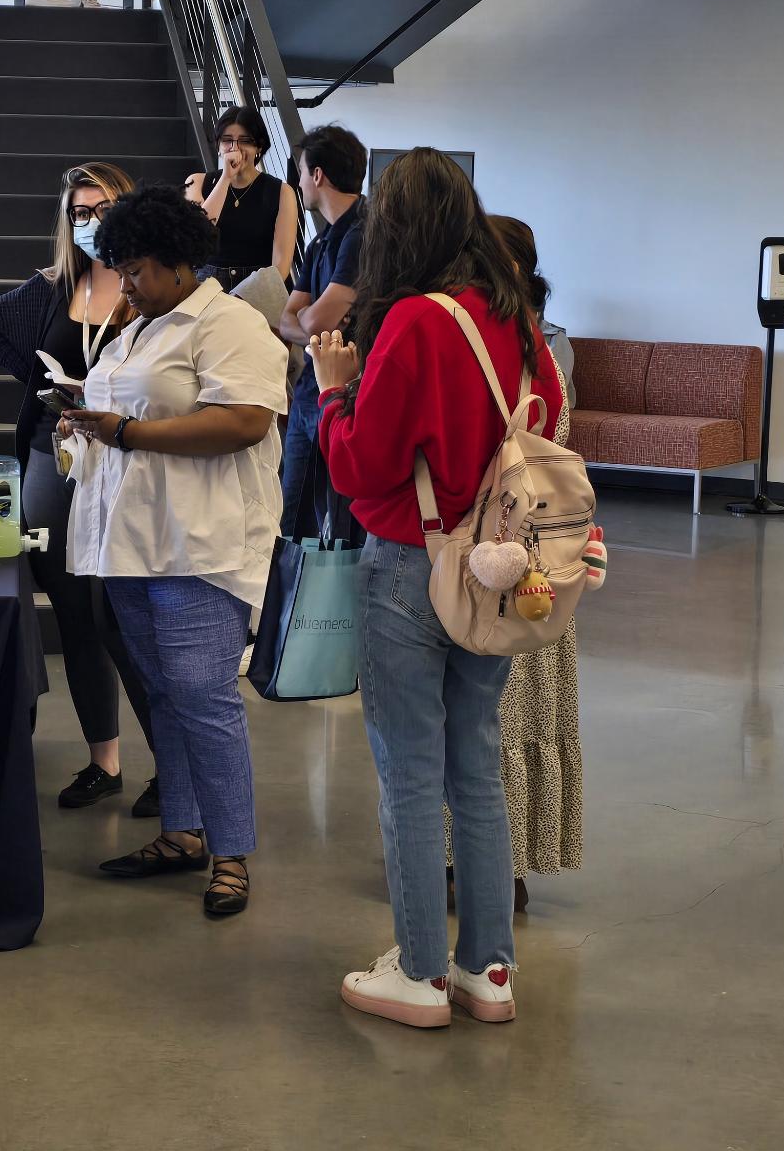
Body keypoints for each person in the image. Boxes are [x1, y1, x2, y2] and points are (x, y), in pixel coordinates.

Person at [313, 148, 565, 1030]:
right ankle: (488, 970)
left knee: (411, 776)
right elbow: (551, 422)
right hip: (498, 572)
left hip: (409, 566)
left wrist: (333, 395)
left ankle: (419, 973)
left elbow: (360, 464)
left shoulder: (416, 320)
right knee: (476, 768)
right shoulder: (518, 321)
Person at [59, 185, 287, 918]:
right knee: (163, 691)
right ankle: (183, 832)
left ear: (178, 261)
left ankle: (232, 853)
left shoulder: (229, 323)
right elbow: (131, 406)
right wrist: (83, 421)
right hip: (131, 541)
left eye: (135, 270)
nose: (124, 285)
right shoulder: (140, 329)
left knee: (203, 695)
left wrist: (126, 433)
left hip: (201, 545)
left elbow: (245, 420)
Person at [0, 161, 161, 817]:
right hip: (50, 455)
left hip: (123, 459)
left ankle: (172, 765)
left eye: (102, 209)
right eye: (79, 213)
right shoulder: (57, 287)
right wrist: (43, 384)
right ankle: (104, 761)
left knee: (121, 614)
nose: (90, 222)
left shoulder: (152, 288)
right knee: (75, 612)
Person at [443, 217, 583, 915]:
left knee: (484, 716)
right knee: (512, 716)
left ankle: (478, 864)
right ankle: (506, 863)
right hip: (539, 563)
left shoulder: (512, 351)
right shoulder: (541, 347)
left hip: (494, 559)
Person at [276, 124, 367, 537]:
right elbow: (289, 319)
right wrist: (313, 323)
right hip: (309, 390)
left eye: (301, 172)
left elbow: (312, 320)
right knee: (292, 517)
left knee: (341, 521)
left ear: (318, 175)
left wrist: (310, 320)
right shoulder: (321, 241)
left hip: (345, 393)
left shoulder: (363, 232)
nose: (298, 183)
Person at [184, 105, 299, 289]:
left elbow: (280, 267)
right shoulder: (197, 182)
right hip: (206, 288)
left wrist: (241, 298)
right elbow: (198, 234)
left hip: (257, 288)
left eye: (245, 141)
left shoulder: (282, 192)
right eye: (227, 140)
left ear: (258, 147)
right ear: (218, 146)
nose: (235, 148)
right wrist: (226, 177)